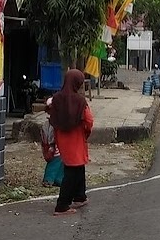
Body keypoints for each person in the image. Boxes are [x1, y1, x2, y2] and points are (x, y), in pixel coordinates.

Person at [48, 69, 93, 216]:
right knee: (72, 171)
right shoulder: (80, 101)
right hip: (76, 138)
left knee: (78, 167)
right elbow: (89, 120)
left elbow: (52, 120)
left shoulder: (56, 98)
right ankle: (62, 205)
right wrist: (86, 132)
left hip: (62, 138)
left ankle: (80, 196)